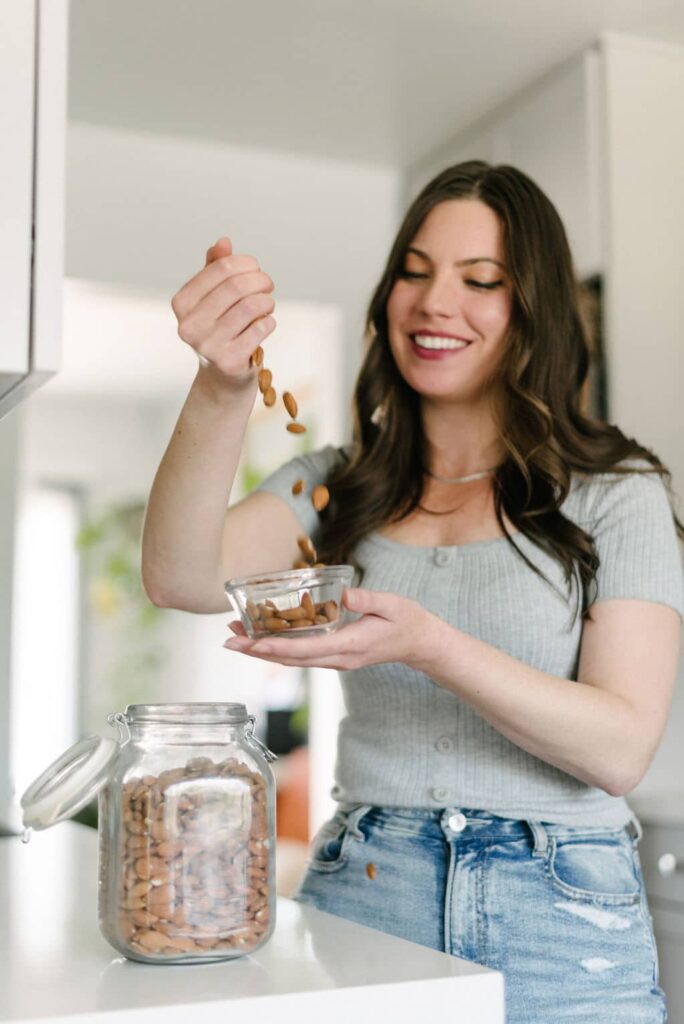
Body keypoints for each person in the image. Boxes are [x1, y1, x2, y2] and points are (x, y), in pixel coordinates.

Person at [142, 161, 683, 1023]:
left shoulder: (618, 494)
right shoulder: (338, 489)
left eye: (482, 281)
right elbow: (177, 574)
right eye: (414, 270)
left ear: (533, 310)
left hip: (562, 916)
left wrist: (432, 645)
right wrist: (222, 387)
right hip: (367, 888)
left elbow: (619, 748)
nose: (434, 303)